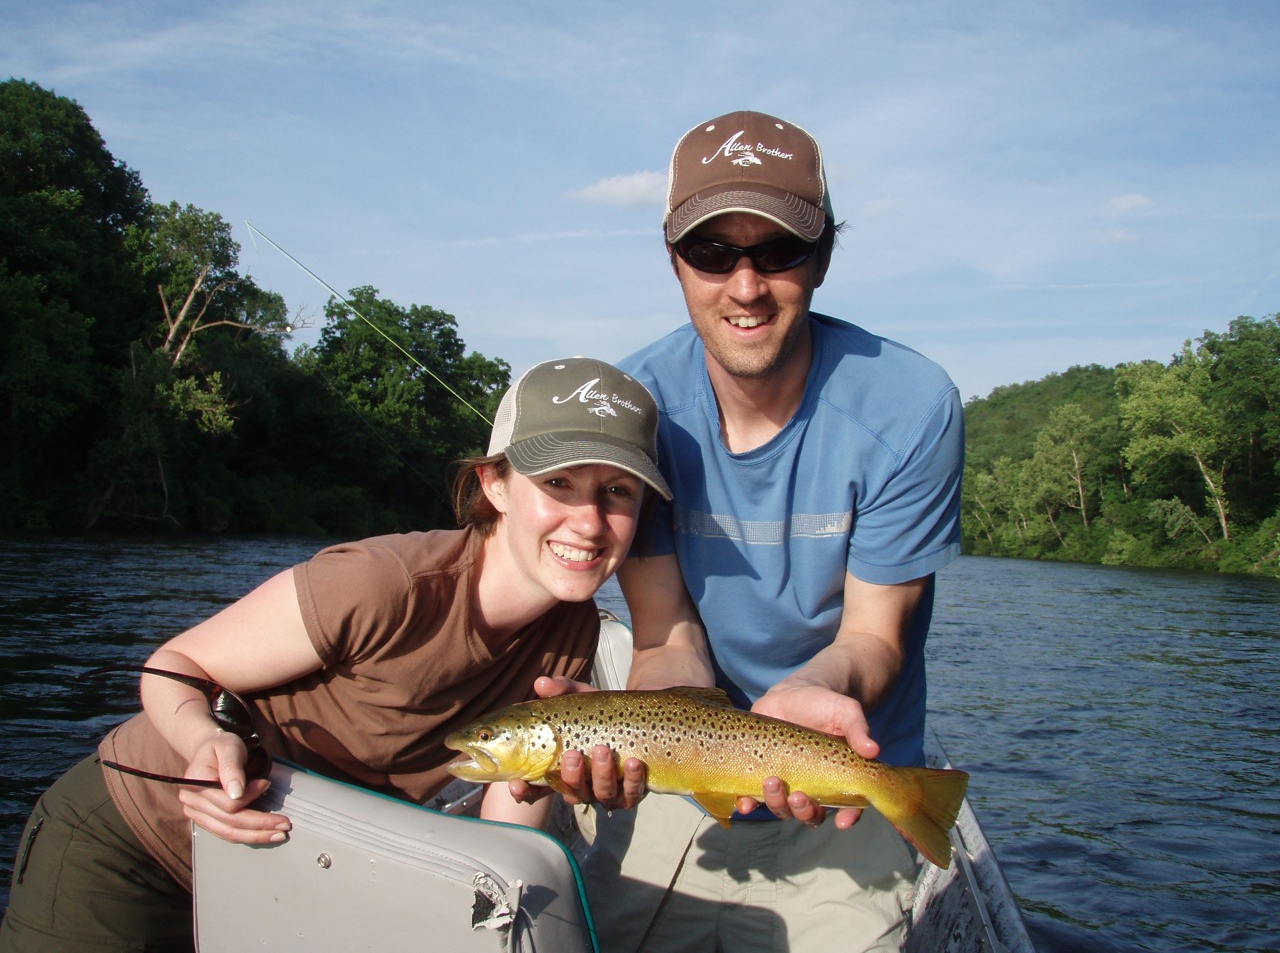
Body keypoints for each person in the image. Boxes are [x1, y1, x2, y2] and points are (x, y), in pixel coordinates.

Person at [0, 356, 672, 953]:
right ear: (493, 485)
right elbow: (174, 665)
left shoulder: (577, 638)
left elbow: (507, 831)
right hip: (131, 846)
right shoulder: (382, 583)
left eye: (617, 492)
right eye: (559, 484)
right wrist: (202, 740)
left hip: (284, 879)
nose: (589, 522)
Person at [537, 110, 965, 952]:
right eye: (711, 253)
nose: (744, 286)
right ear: (674, 262)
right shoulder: (639, 407)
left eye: (778, 252)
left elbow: (875, 638)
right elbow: (665, 635)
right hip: (696, 746)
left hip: (849, 757)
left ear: (824, 257)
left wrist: (821, 699)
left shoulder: (912, 405)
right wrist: (628, 728)